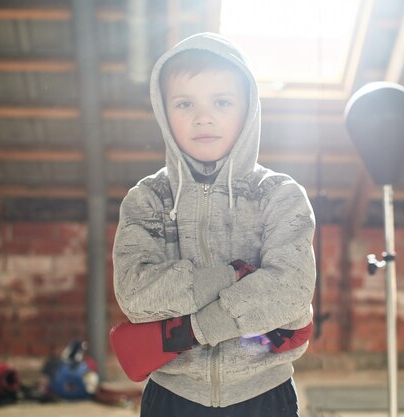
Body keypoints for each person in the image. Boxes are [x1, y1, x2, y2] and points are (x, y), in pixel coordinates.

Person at [112, 32, 316, 417]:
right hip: (171, 397)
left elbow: (290, 292)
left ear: (248, 108)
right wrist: (235, 276)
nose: (203, 117)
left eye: (222, 102)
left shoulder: (279, 194)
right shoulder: (147, 199)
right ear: (163, 111)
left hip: (264, 394)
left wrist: (192, 329)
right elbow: (135, 295)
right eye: (185, 103)